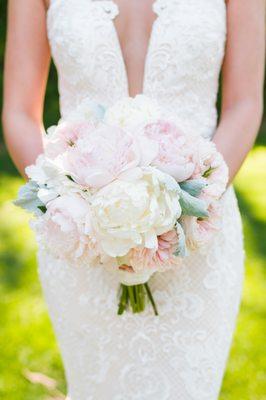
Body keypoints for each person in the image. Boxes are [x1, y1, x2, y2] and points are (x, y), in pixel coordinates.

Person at [2, 0, 265, 399]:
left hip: (196, 241)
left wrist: (182, 209)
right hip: (83, 243)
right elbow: (20, 111)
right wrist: (70, 200)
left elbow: (244, 103)